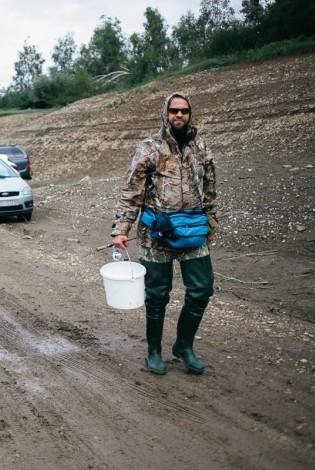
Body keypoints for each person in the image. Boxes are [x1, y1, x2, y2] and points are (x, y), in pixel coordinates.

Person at [111, 92, 218, 376]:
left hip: (193, 231)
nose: (179, 115)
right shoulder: (149, 148)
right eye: (174, 111)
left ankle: (184, 346)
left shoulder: (200, 147)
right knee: (157, 295)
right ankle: (154, 351)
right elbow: (131, 192)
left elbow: (210, 189)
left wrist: (211, 223)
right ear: (165, 113)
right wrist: (121, 229)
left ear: (190, 114)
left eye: (184, 111)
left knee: (202, 289)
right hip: (155, 234)